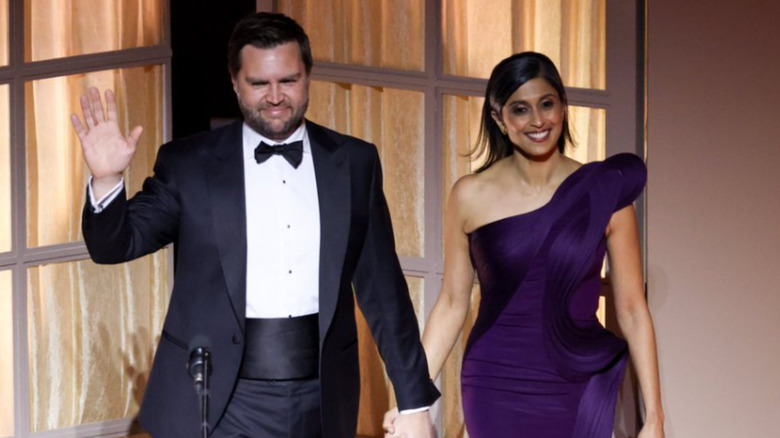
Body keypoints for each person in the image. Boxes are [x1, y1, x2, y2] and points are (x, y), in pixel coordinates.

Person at [72, 12, 439, 438]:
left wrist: (413, 400)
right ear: (234, 82)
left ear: (308, 77)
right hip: (217, 398)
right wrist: (106, 179)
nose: (275, 96)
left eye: (288, 80)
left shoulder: (354, 162)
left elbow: (384, 290)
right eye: (259, 83)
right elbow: (115, 245)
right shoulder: (189, 165)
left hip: (321, 396)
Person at [384, 52, 664, 438]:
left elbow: (632, 308)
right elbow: (451, 303)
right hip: (494, 382)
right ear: (499, 119)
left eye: (546, 104)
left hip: (577, 380)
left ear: (563, 107)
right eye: (520, 109)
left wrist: (654, 419)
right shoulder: (470, 195)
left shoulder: (604, 193)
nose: (537, 121)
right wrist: (409, 397)